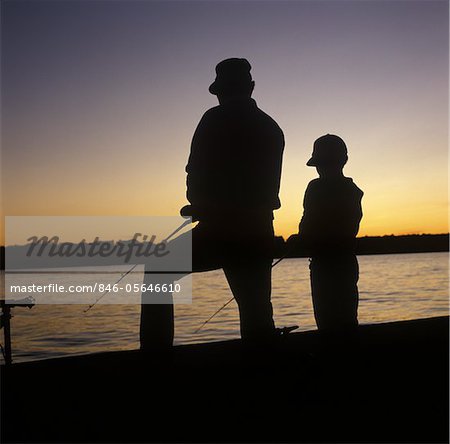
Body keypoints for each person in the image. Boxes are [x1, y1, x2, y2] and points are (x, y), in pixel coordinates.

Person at [140, 58, 285, 348]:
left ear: (220, 91)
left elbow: (194, 173)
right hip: (259, 232)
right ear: (251, 87)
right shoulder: (272, 128)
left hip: (219, 233)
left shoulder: (213, 118)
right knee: (255, 309)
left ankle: (155, 358)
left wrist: (199, 205)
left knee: (156, 269)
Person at [297, 134, 363, 332]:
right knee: (347, 319)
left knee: (326, 321)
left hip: (323, 264)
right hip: (346, 262)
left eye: (321, 163)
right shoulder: (353, 190)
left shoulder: (315, 188)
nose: (320, 168)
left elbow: (306, 225)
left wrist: (299, 239)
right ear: (344, 161)